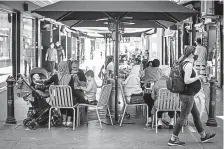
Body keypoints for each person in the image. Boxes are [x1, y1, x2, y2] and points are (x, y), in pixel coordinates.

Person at [168, 46, 216, 146]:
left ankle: (203, 136)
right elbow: (187, 80)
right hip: (188, 95)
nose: (196, 54)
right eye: (195, 53)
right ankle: (173, 138)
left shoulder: (183, 62)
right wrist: (198, 77)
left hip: (188, 94)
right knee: (183, 117)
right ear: (191, 54)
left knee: (196, 115)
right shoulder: (188, 65)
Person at [44, 61, 74, 127]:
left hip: (57, 101)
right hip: (68, 101)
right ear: (67, 67)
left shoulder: (55, 76)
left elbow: (46, 82)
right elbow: (72, 90)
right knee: (70, 101)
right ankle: (68, 121)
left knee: (62, 100)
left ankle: (63, 121)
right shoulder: (70, 77)